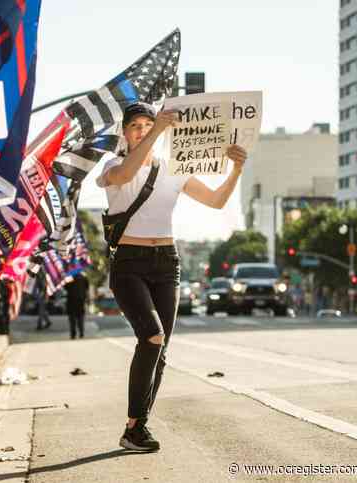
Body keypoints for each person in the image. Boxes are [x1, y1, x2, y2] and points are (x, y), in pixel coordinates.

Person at [96, 101, 246, 452]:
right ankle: (135, 426)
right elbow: (125, 177)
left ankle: (137, 427)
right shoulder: (114, 165)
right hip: (129, 264)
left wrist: (236, 169)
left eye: (149, 124)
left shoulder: (173, 169)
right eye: (135, 126)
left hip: (167, 262)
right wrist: (161, 130)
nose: (143, 130)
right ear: (124, 132)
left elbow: (216, 201)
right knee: (151, 337)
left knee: (160, 349)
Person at [65, 272, 89, 339]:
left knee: (72, 317)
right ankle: (81, 332)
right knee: (80, 316)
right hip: (81, 299)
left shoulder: (69, 277)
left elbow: (66, 287)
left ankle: (73, 333)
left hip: (71, 299)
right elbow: (87, 287)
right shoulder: (83, 276)